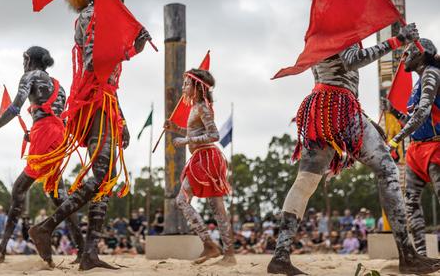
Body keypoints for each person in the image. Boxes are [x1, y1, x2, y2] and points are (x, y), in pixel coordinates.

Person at [267, 21, 440, 274]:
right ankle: (407, 255)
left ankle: (280, 256)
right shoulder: (340, 26)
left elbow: (336, 75)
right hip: (341, 107)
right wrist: (397, 40)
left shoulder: (318, 32)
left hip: (319, 107)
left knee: (304, 182)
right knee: (388, 170)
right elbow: (351, 61)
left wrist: (367, 120)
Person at [28, 0, 151, 270]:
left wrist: (120, 117)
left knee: (106, 178)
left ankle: (89, 253)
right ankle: (45, 228)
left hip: (105, 100)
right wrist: (132, 49)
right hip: (93, 101)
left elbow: (110, 78)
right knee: (104, 176)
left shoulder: (104, 17)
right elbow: (95, 63)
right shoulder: (90, 15)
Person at [0, 46, 84, 263]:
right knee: (59, 197)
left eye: (23, 59)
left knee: (19, 189)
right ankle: (81, 250)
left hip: (44, 134)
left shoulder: (30, 75)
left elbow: (15, 108)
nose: (23, 63)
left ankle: (2, 249)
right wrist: (34, 134)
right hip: (59, 139)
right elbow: (57, 117)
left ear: (28, 59)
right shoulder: (59, 86)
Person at [164, 69, 235, 265]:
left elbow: (214, 135)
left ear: (197, 87)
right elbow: (195, 130)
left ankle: (219, 249)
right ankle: (215, 247)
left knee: (190, 202)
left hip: (207, 159)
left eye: (187, 84)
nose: (183, 87)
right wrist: (175, 129)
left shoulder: (203, 107)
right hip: (200, 159)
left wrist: (186, 139)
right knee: (212, 207)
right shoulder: (196, 107)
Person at [386, 38, 440, 256]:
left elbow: (424, 111)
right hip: (416, 151)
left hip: (435, 148)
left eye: (408, 53)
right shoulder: (418, 82)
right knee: (410, 204)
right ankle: (421, 256)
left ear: (421, 53)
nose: (403, 58)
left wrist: (396, 139)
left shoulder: (432, 73)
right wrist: (396, 113)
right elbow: (414, 116)